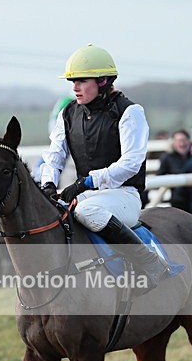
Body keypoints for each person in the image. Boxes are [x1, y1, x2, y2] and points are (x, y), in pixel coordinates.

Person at [38, 43, 172, 293]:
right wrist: (48, 183)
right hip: (88, 196)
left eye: (81, 81)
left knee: (86, 212)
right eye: (72, 82)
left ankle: (150, 263)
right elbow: (54, 156)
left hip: (124, 195)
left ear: (102, 80)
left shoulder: (130, 112)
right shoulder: (68, 113)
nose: (74, 88)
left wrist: (88, 181)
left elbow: (131, 163)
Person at [156, 129, 192, 212]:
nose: (182, 143)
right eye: (179, 140)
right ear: (173, 142)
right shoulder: (167, 157)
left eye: (184, 140)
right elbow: (159, 177)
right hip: (178, 199)